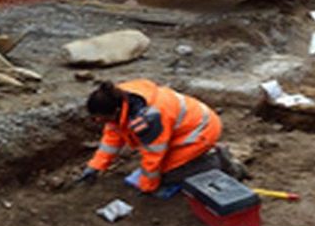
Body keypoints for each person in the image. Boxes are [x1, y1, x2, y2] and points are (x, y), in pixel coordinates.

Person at [76, 79, 238, 193]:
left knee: (166, 176)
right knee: (157, 171)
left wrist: (148, 186)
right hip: (184, 128)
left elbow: (153, 155)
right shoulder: (117, 97)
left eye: (101, 117)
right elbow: (112, 137)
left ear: (116, 111)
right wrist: (96, 166)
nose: (98, 121)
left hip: (200, 132)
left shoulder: (149, 118)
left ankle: (215, 160)